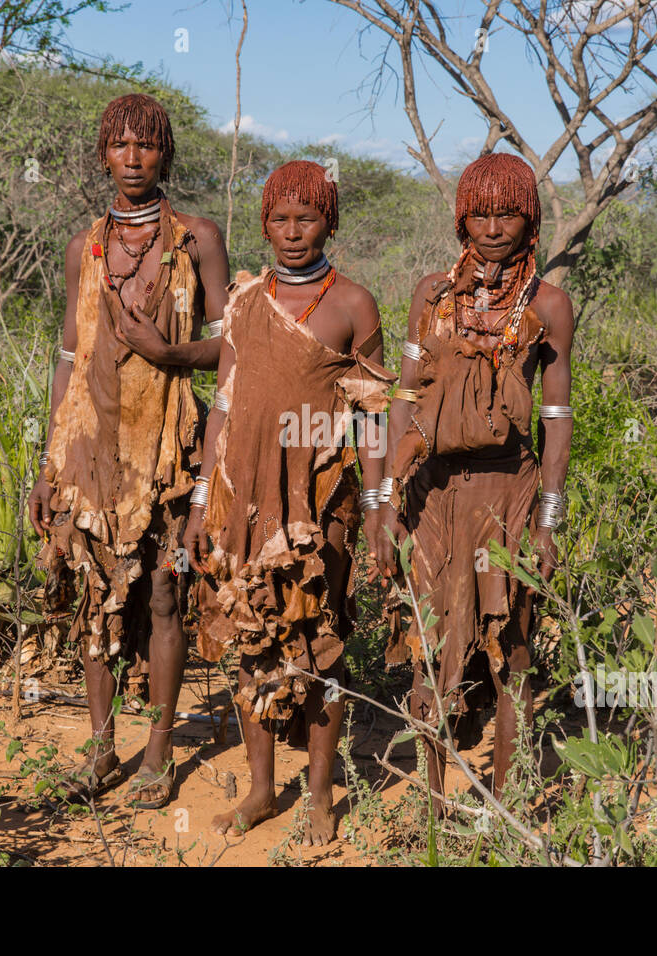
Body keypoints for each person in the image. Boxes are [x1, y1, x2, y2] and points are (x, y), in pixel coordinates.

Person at [27, 92, 229, 808]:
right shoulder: (84, 247)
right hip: (91, 451)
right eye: (121, 145)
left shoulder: (196, 237)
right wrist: (49, 464)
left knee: (167, 593)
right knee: (95, 601)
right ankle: (102, 750)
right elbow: (67, 356)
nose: (134, 158)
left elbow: (233, 348)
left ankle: (161, 752)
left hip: (169, 446)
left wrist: (169, 349)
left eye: (147, 145)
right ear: (104, 153)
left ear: (165, 153)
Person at [185, 161, 395, 846]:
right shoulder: (245, 300)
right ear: (265, 224)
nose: (293, 232)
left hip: (316, 507)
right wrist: (198, 501)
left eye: (308, 218)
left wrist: (374, 510)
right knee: (252, 638)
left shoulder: (354, 305)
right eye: (280, 219)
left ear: (330, 222)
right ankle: (261, 789)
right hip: (241, 501)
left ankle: (322, 795)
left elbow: (371, 418)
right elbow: (221, 401)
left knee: (319, 645)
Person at [377, 152, 574, 817]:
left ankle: (509, 798)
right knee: (430, 647)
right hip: (431, 492)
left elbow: (556, 421)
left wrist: (547, 522)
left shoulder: (547, 306)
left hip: (508, 493)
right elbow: (404, 397)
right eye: (481, 213)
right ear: (462, 216)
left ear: (530, 218)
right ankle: (431, 804)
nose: (493, 228)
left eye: (508, 213)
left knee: (508, 648)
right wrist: (386, 502)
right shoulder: (432, 294)